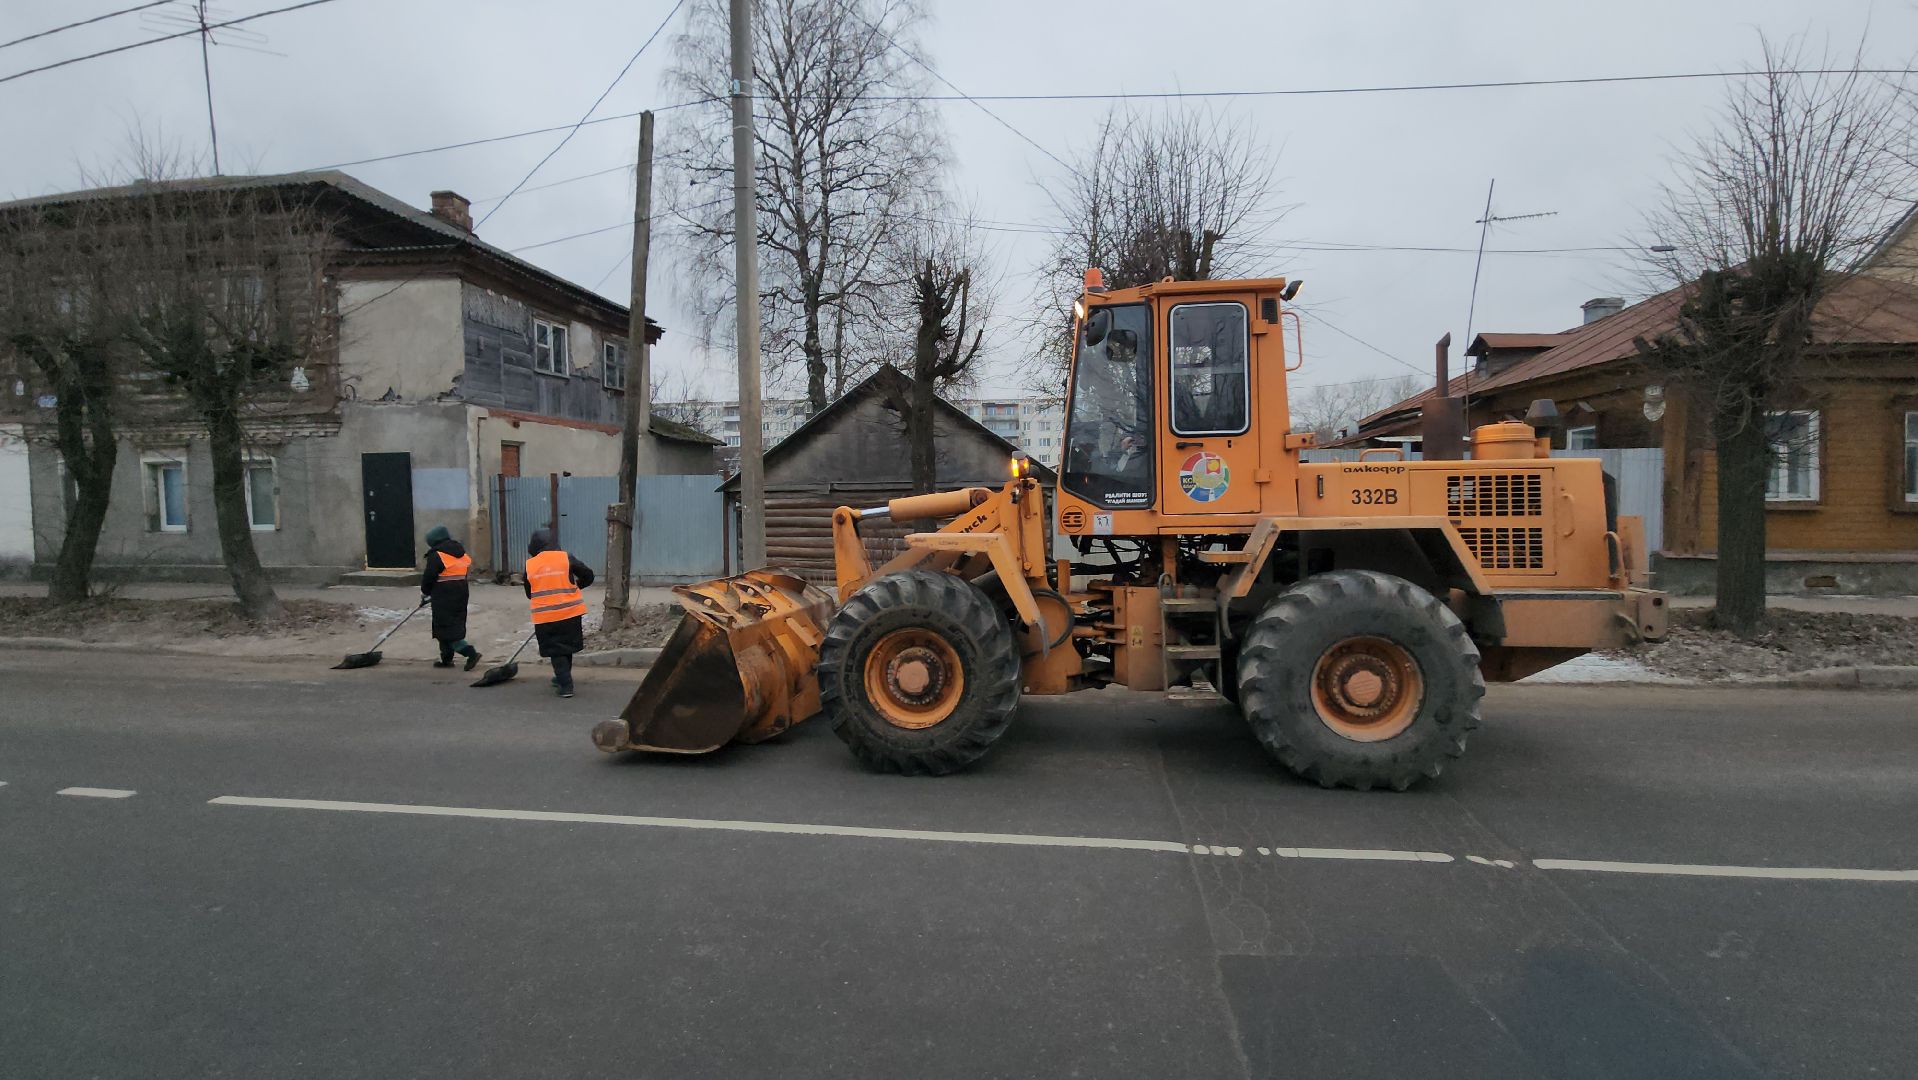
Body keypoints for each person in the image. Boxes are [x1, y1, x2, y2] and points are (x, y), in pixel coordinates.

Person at [523, 528, 595, 698]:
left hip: (546, 616)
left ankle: (566, 685)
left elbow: (529, 593)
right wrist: (575, 586)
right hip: (571, 612)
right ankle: (562, 677)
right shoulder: (566, 557)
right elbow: (588, 575)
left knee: (556, 651)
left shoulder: (530, 565)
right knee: (565, 647)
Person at [420, 524, 481, 671]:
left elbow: (429, 577)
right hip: (461, 592)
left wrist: (425, 592)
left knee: (445, 627)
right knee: (450, 626)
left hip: (444, 595)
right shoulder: (461, 553)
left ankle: (470, 653)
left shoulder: (437, 555)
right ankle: (446, 659)